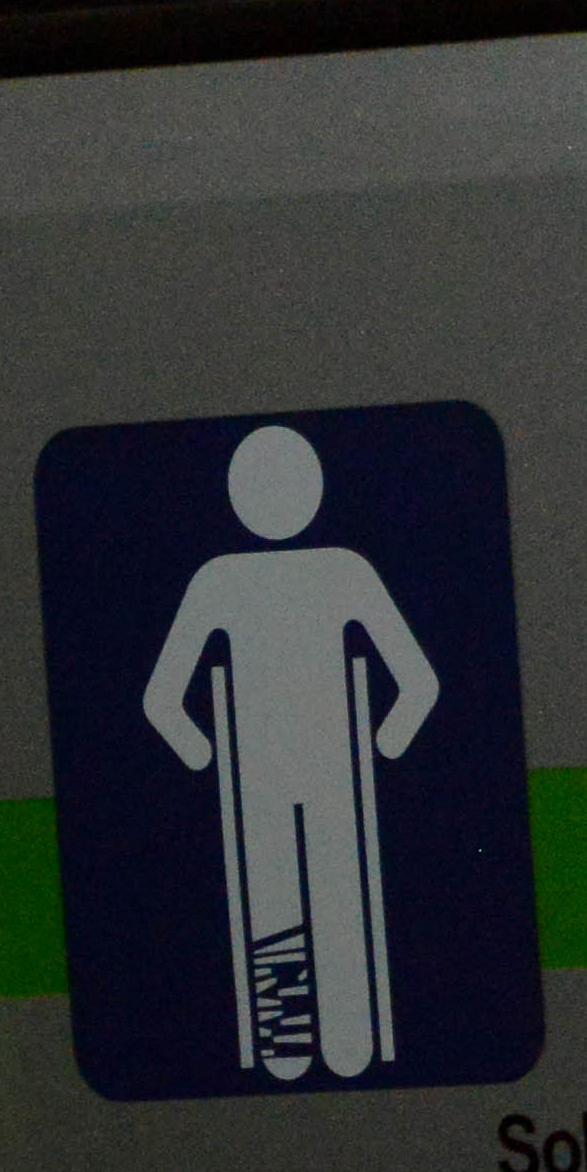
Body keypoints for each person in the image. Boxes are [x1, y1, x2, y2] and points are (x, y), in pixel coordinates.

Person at [138, 421, 443, 1084]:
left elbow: (418, 682)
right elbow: (163, 699)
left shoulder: (340, 572)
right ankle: (289, 1047)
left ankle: (346, 1041)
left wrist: (383, 742)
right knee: (277, 909)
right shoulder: (221, 581)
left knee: (335, 901)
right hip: (265, 779)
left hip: (327, 773)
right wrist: (203, 756)